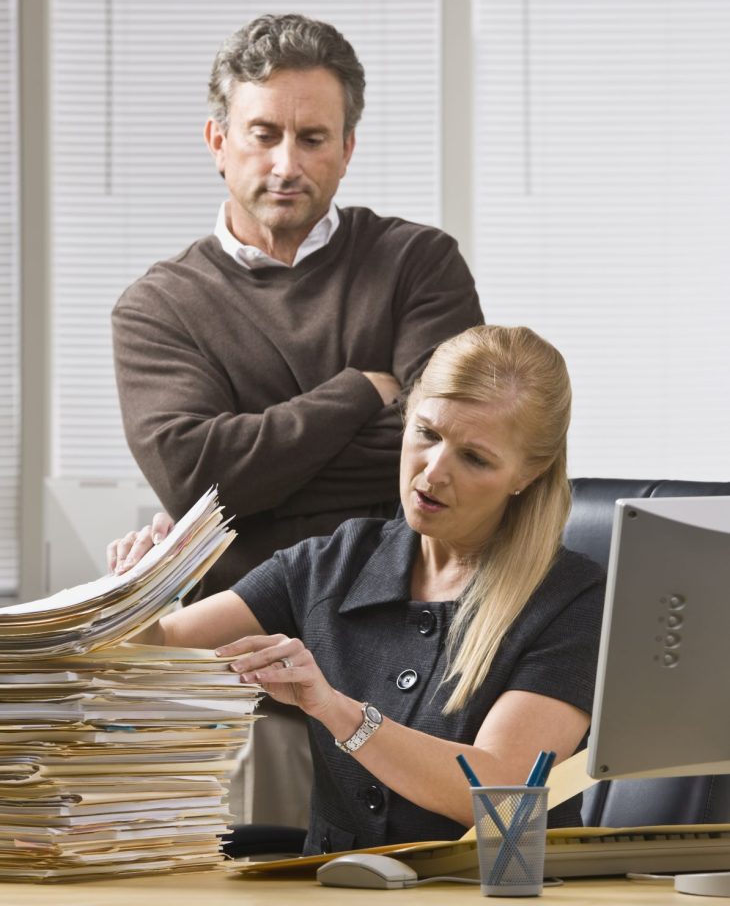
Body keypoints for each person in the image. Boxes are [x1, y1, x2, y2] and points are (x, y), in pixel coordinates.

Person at [108, 325, 605, 853]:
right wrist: (135, 599)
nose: (433, 473)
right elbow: (154, 653)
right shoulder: (335, 561)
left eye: (474, 458)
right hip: (336, 884)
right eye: (426, 434)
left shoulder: (572, 601)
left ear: (528, 474)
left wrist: (335, 710)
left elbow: (500, 793)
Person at [111, 12, 483, 601]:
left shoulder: (418, 263)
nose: (288, 165)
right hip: (234, 626)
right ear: (219, 143)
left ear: (346, 148)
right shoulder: (158, 307)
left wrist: (251, 487)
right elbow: (197, 479)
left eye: (312, 138)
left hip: (406, 613)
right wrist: (360, 391)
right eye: (263, 135)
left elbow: (453, 451)